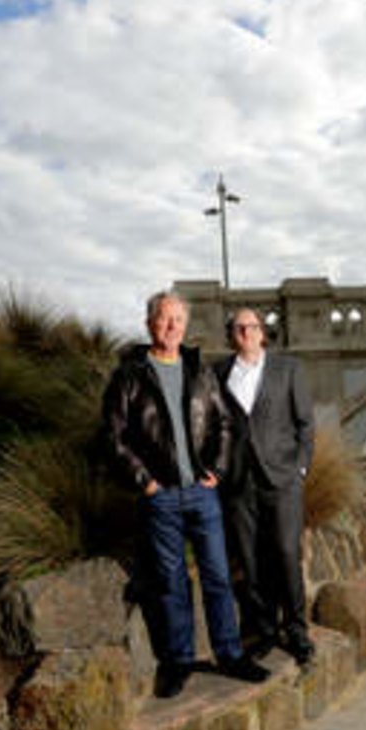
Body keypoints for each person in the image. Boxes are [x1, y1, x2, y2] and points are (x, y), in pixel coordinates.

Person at [103, 291, 269, 698]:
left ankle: (229, 654)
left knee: (216, 577)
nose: (172, 326)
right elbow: (114, 436)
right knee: (171, 581)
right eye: (164, 319)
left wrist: (216, 470)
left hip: (201, 494)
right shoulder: (130, 375)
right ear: (149, 324)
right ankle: (178, 661)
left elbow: (225, 425)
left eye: (178, 319)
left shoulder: (200, 371)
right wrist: (145, 480)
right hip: (160, 496)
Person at [214, 307, 316, 666]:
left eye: (251, 326)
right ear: (232, 334)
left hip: (282, 479)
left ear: (262, 332)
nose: (245, 332)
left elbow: (305, 423)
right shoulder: (218, 373)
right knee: (251, 560)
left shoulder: (288, 370)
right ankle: (265, 631)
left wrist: (300, 468)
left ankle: (298, 631)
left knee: (287, 554)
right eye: (238, 328)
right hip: (240, 483)